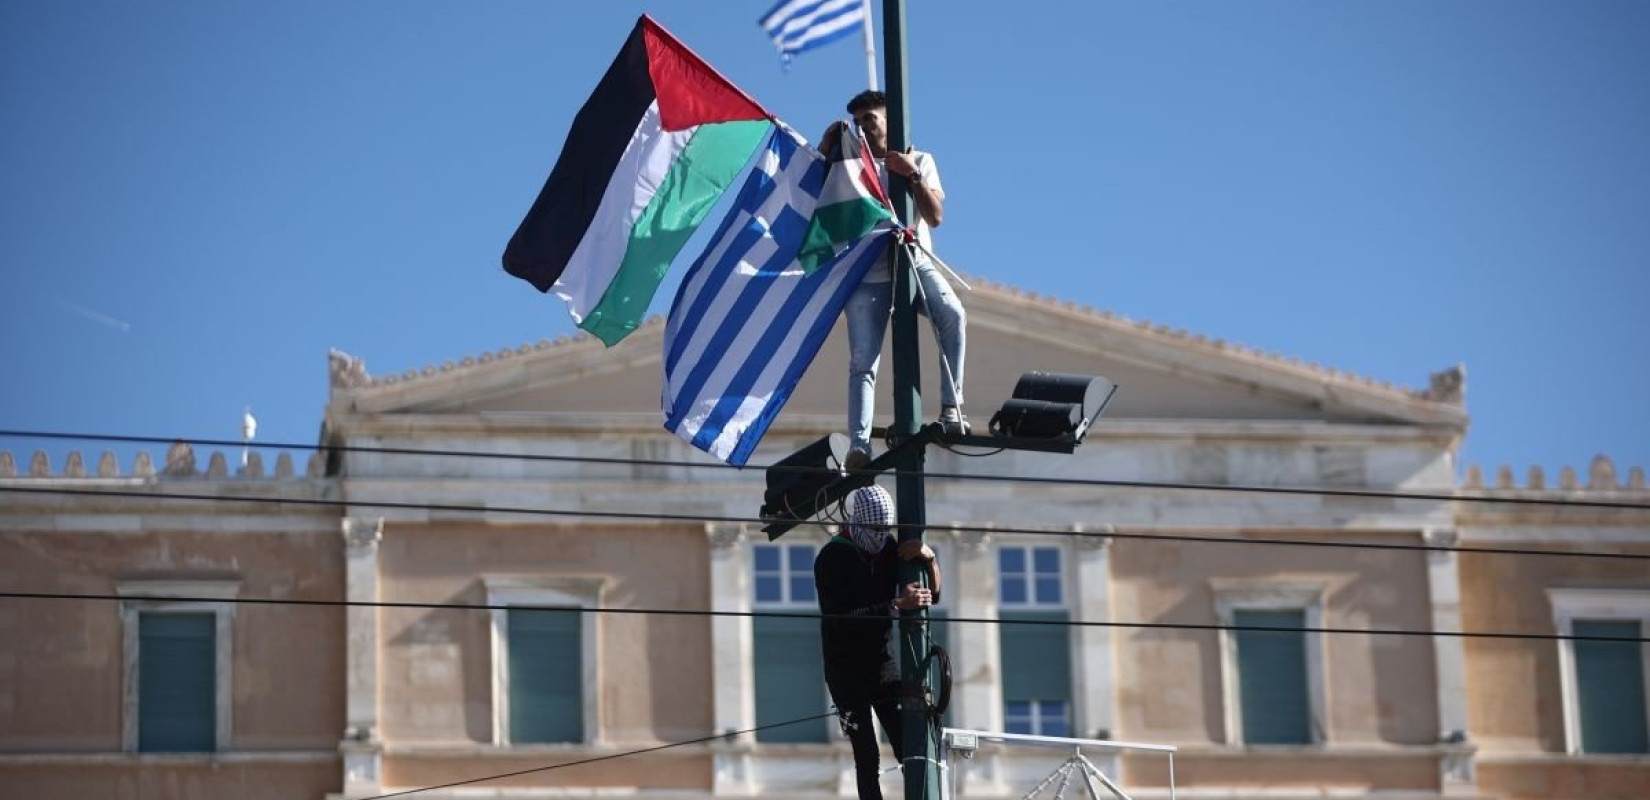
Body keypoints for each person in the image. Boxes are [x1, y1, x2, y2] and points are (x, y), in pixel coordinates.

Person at [820, 90, 968, 469]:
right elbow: (816, 191)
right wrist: (826, 148)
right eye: (859, 121)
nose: (865, 126)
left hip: (915, 261)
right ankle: (859, 444)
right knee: (862, 360)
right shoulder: (851, 166)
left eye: (871, 118)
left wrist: (911, 175)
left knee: (952, 314)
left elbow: (934, 216)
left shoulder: (920, 159)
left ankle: (952, 407)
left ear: (890, 119)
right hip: (870, 271)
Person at [814, 485, 943, 800]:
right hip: (845, 669)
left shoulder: (888, 549)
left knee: (910, 740)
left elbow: (930, 596)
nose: (881, 535)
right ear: (857, 522)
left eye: (886, 528)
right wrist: (897, 604)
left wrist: (930, 558)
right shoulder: (832, 557)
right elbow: (841, 617)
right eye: (875, 529)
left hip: (882, 663)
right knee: (867, 755)